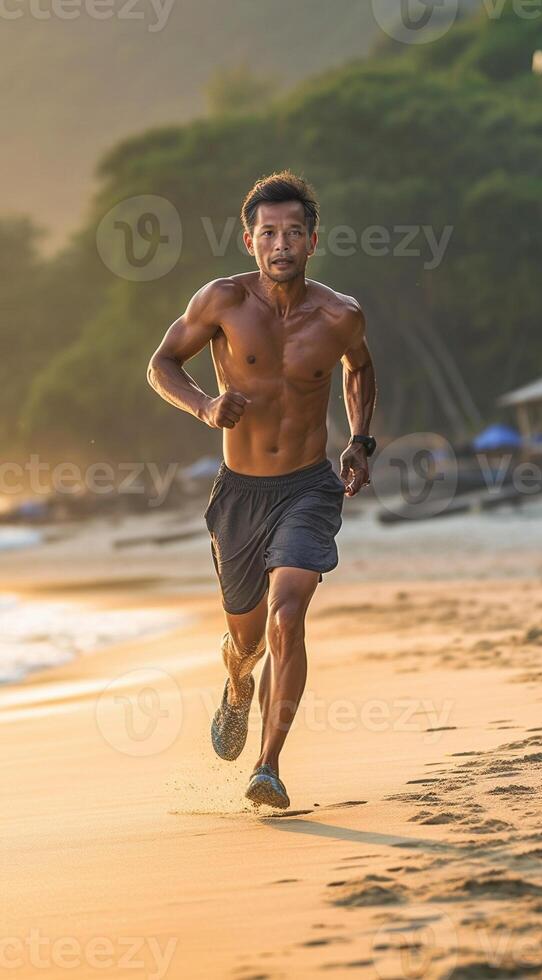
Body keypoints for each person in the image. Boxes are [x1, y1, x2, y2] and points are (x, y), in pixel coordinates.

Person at [147, 171, 377, 809]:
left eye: (294, 232)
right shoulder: (221, 302)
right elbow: (162, 364)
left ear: (312, 240)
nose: (282, 243)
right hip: (241, 494)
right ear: (250, 241)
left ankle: (268, 766)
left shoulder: (339, 314)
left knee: (288, 612)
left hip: (309, 486)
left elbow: (360, 369)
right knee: (247, 639)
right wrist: (203, 406)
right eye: (269, 232)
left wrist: (360, 440)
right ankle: (237, 685)